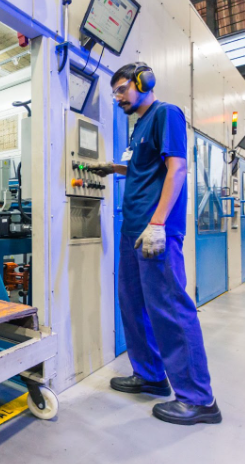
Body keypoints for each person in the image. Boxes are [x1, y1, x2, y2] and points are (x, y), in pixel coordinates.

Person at [90, 62, 222, 425]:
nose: (117, 98)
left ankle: (199, 399)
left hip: (156, 231)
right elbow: (144, 168)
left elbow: (177, 168)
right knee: (132, 304)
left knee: (170, 309)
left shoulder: (167, 114)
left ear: (143, 83)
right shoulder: (139, 126)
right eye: (114, 92)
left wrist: (159, 223)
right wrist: (112, 168)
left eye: (121, 90)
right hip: (132, 231)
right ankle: (150, 376)